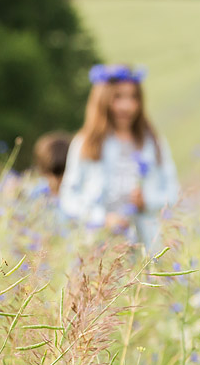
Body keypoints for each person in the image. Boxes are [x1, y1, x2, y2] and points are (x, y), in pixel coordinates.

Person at [58, 64, 178, 248]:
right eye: (118, 97)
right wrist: (102, 219)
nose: (126, 106)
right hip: (98, 245)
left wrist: (147, 201)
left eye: (133, 97)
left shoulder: (153, 143)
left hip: (145, 244)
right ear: (102, 100)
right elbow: (68, 196)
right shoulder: (86, 143)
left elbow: (173, 192)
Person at [32, 131, 71, 196]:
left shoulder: (74, 193)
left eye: (60, 174)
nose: (55, 183)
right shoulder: (38, 192)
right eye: (52, 175)